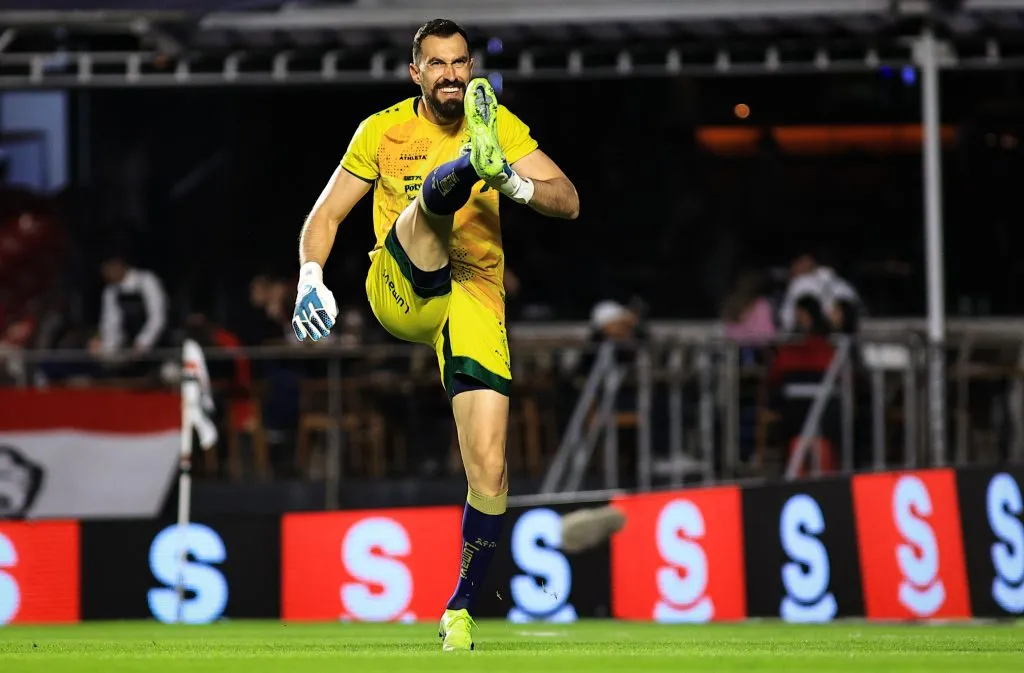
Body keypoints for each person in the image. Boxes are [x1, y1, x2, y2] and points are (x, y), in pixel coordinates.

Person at [290, 19, 579, 651]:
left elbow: (569, 199)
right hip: (401, 284)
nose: (451, 73)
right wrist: (312, 277)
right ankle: (462, 173)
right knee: (425, 212)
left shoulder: (502, 123)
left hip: (474, 296)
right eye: (438, 64)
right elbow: (325, 215)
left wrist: (517, 185)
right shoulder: (381, 129)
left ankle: (461, 610)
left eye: (460, 63)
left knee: (491, 471)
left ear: (469, 67)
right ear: (415, 72)